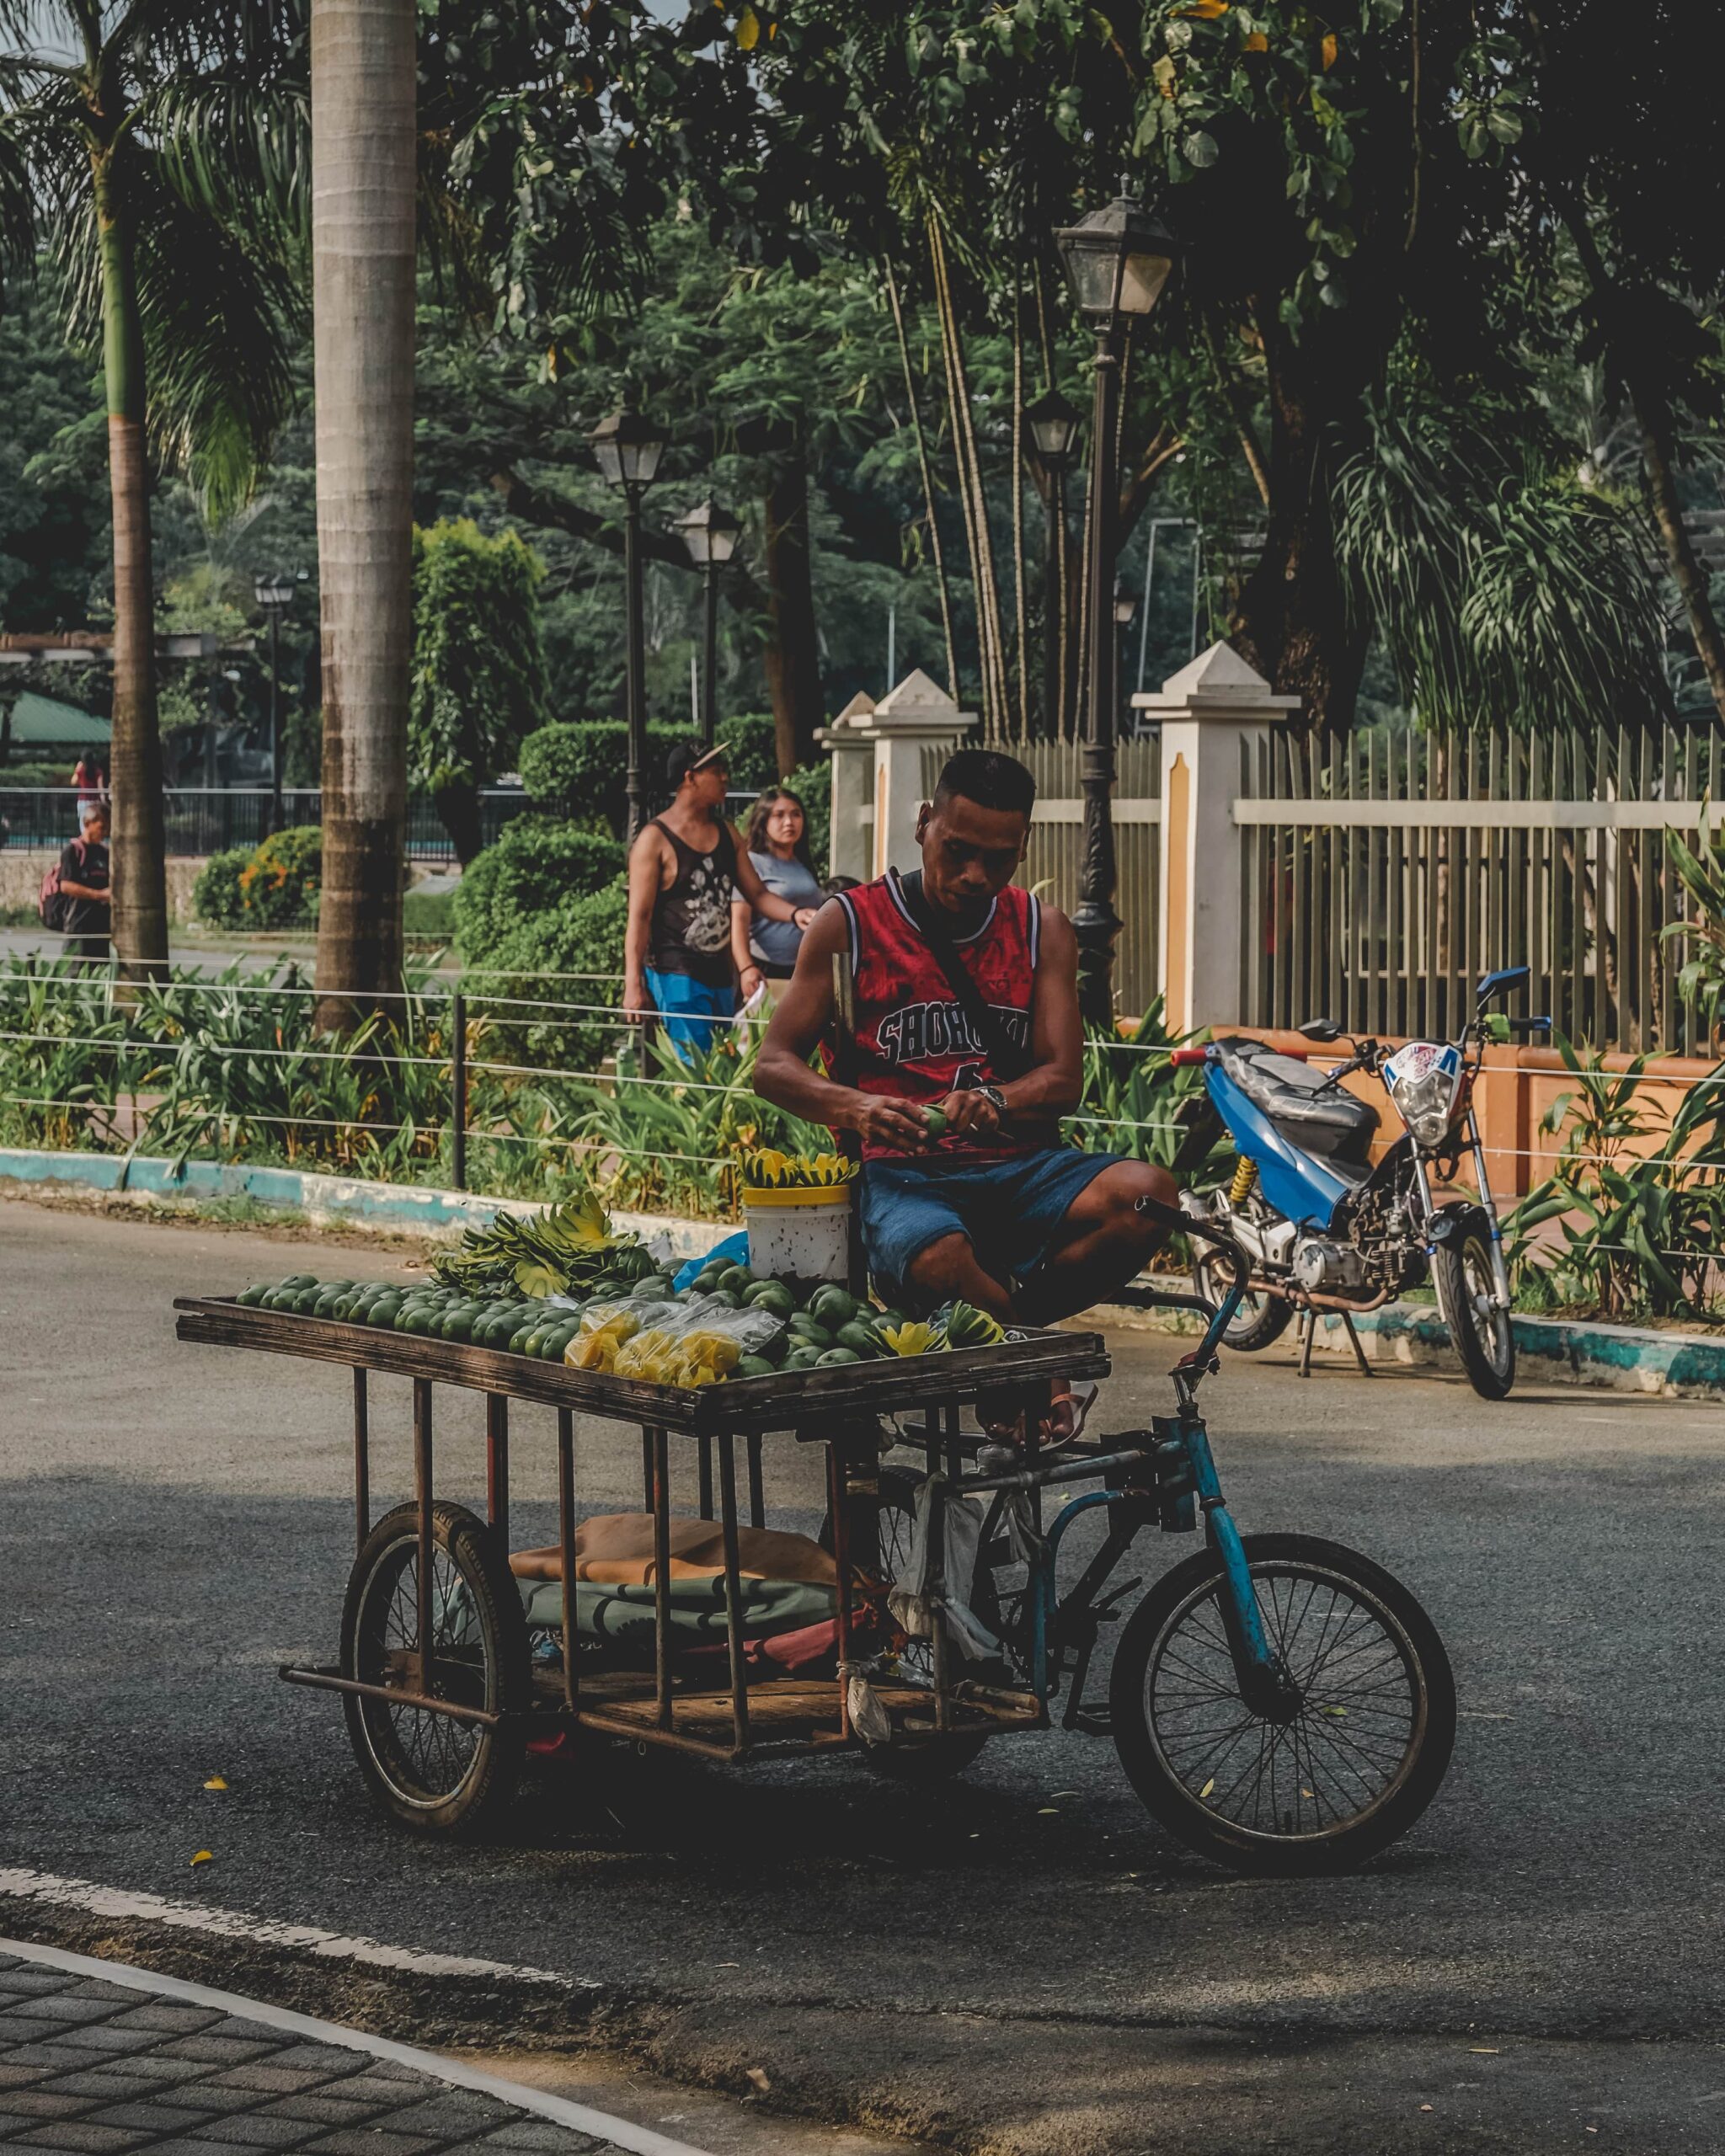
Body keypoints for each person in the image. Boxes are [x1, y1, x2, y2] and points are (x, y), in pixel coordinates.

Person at [754, 746, 1177, 1369]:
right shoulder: (851, 923)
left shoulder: (1043, 929)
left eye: (998, 857)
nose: (976, 874)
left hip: (1021, 1169)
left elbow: (1063, 1080)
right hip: (905, 1180)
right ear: (925, 823)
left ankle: (1007, 1348)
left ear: (1024, 846)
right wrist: (859, 1108)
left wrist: (997, 1100)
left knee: (1152, 1198)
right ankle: (1036, 1375)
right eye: (957, 850)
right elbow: (772, 1066)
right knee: (941, 1258)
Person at [625, 739, 820, 1059]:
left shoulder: (727, 833)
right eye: (716, 771)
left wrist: (796, 914)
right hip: (676, 972)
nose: (726, 778)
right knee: (696, 1069)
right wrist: (633, 982)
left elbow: (757, 894)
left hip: (719, 973)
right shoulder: (654, 839)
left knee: (723, 1064)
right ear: (690, 778)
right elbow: (639, 916)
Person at [729, 786, 826, 1010]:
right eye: (779, 815)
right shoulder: (752, 863)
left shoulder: (802, 865)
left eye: (796, 814)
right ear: (763, 821)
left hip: (802, 968)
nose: (789, 822)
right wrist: (746, 968)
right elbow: (740, 921)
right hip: (765, 970)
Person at [59, 798, 111, 965]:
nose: (104, 833)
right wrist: (97, 895)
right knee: (75, 971)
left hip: (101, 924)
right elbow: (66, 885)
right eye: (101, 828)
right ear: (88, 823)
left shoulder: (105, 853)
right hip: (79, 923)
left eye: (107, 829)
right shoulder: (72, 851)